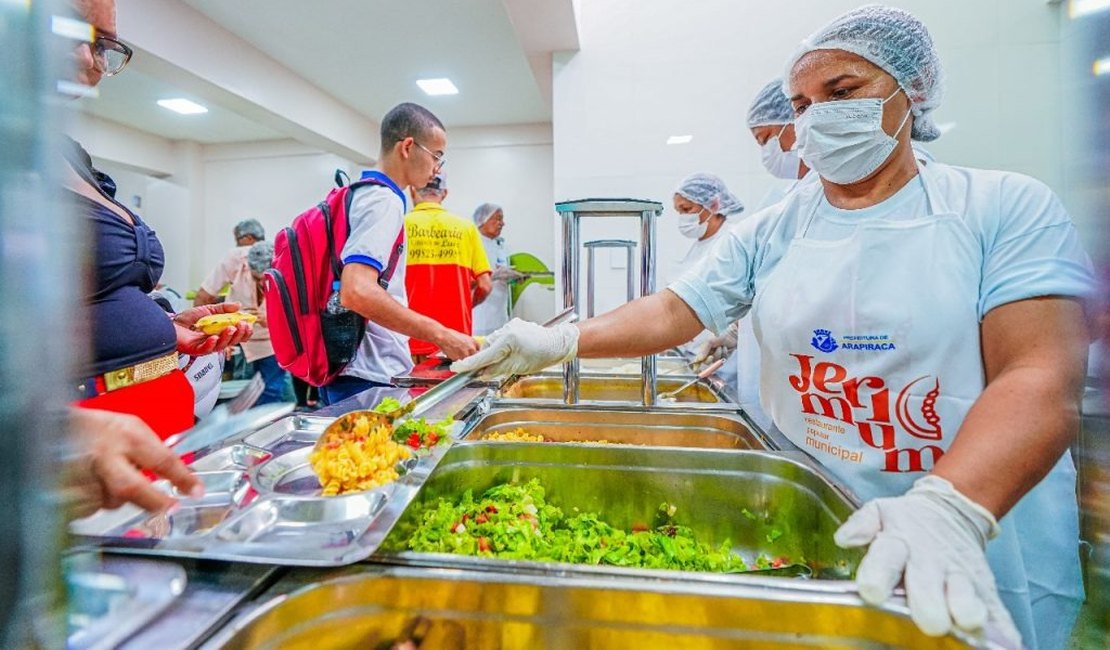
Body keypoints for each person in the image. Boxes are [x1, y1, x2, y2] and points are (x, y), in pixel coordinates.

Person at [454, 6, 1094, 649]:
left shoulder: (1003, 207)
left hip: (976, 523)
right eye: (802, 104)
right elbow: (674, 309)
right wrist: (559, 341)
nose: (817, 117)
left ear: (914, 89)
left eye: (842, 92)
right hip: (818, 509)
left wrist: (950, 505)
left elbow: (1039, 375)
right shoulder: (776, 226)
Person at [63, 0, 253, 515]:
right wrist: (58, 435)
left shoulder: (68, 153)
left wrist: (168, 325)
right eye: (71, 27)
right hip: (85, 465)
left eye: (103, 44)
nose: (88, 59)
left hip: (156, 434)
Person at [322, 102, 479, 405]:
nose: (437, 168)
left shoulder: (360, 193)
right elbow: (356, 290)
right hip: (368, 373)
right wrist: (442, 334)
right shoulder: (384, 201)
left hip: (351, 366)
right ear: (407, 147)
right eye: (436, 155)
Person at [403, 174, 492, 361]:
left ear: (412, 190)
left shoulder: (401, 225)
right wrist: (465, 305)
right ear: (444, 193)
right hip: (456, 342)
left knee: (411, 381)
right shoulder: (467, 228)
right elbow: (485, 285)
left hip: (408, 338)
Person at [195, 232, 290, 405]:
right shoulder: (234, 259)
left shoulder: (287, 264)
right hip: (236, 337)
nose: (262, 284)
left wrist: (271, 320)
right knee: (241, 392)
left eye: (267, 280)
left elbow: (297, 313)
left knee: (272, 391)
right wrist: (209, 336)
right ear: (248, 266)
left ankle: (267, 420)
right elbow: (204, 295)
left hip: (272, 340)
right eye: (257, 279)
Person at [668, 173, 744, 363]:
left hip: (723, 357)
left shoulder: (734, 240)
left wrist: (734, 333)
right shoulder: (698, 246)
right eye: (679, 211)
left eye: (687, 209)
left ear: (714, 205)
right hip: (693, 353)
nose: (683, 217)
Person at [471, 203, 523, 336]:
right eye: (498, 219)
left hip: (500, 317)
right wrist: (494, 275)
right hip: (479, 319)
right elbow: (467, 281)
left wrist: (513, 277)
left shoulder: (500, 246)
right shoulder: (472, 245)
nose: (502, 223)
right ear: (483, 220)